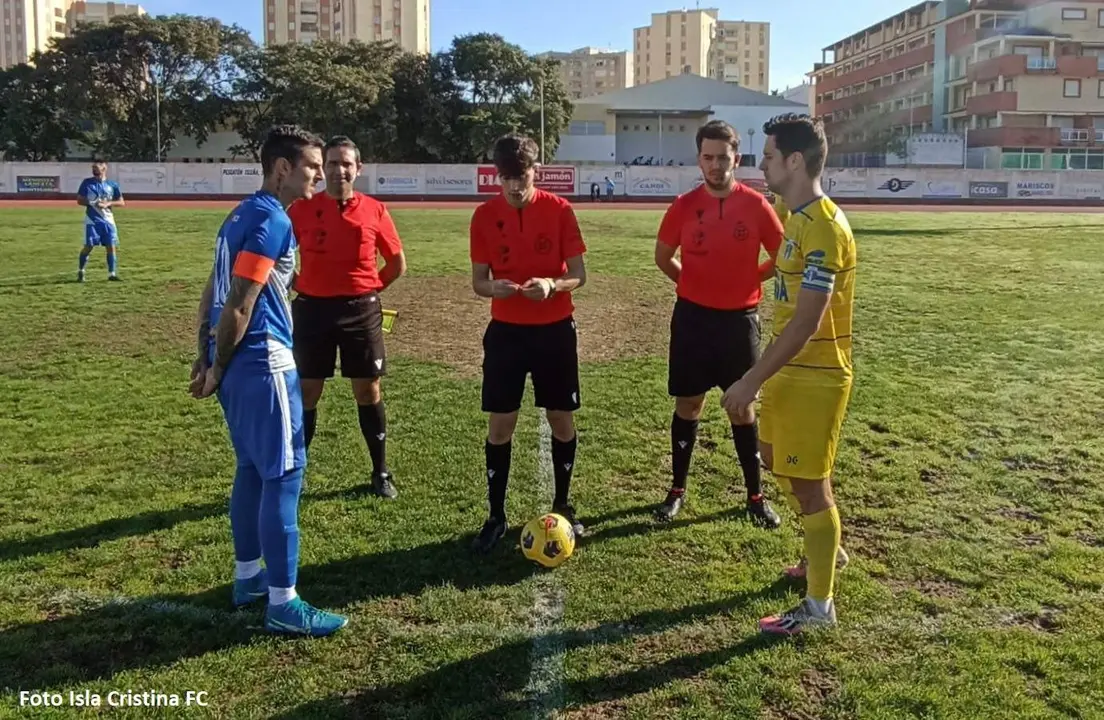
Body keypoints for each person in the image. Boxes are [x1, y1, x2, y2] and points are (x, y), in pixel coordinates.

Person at [190, 125, 347, 637]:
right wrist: (216, 365)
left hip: (236, 365)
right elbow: (238, 301)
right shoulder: (271, 220)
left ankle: (248, 578)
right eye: (311, 167)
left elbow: (210, 293)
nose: (319, 176)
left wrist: (206, 357)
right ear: (282, 168)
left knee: (252, 472)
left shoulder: (239, 215)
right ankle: (284, 602)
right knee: (283, 475)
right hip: (263, 365)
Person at [722, 113, 857, 635]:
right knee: (776, 459)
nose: (762, 163)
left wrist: (750, 378)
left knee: (809, 487)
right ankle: (828, 549)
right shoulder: (793, 212)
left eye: (770, 154)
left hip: (814, 374)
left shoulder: (823, 226)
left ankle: (818, 606)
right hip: (789, 371)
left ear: (795, 162)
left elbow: (806, 321)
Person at [653, 119, 784, 529]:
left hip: (738, 323)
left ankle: (755, 495)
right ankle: (676, 490)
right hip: (692, 320)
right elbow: (662, 256)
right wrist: (691, 283)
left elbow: (781, 256)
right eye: (707, 157)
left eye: (722, 158)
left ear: (736, 159)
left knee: (741, 408)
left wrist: (750, 280)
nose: (714, 165)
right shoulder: (683, 205)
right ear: (698, 158)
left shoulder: (757, 205)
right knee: (688, 404)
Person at [468, 133, 588, 554]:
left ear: (536, 171)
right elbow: (478, 282)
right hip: (506, 334)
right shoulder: (483, 216)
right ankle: (496, 515)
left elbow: (579, 275)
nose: (515, 186)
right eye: (506, 178)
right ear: (495, 176)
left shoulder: (559, 210)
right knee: (501, 425)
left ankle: (564, 504)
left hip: (555, 330)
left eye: (521, 177)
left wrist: (553, 285)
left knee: (561, 418)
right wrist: (493, 288)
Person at [287, 135, 407, 498]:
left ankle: (381, 472)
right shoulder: (300, 210)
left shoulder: (375, 210)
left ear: (358, 169)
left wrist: (369, 289)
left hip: (361, 310)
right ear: (323, 169)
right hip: (311, 310)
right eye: (333, 163)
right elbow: (280, 256)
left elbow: (397, 264)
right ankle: (295, 472)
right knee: (308, 390)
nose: (340, 170)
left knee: (367, 389)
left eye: (346, 163)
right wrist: (296, 281)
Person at [76, 161, 125, 282]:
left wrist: (108, 203)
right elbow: (79, 200)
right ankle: (81, 271)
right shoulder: (87, 183)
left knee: (111, 246)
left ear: (104, 169)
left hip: (108, 220)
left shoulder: (112, 185)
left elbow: (121, 202)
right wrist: (93, 203)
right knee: (89, 246)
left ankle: (112, 274)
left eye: (97, 169)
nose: (94, 171)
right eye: (93, 169)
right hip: (92, 220)